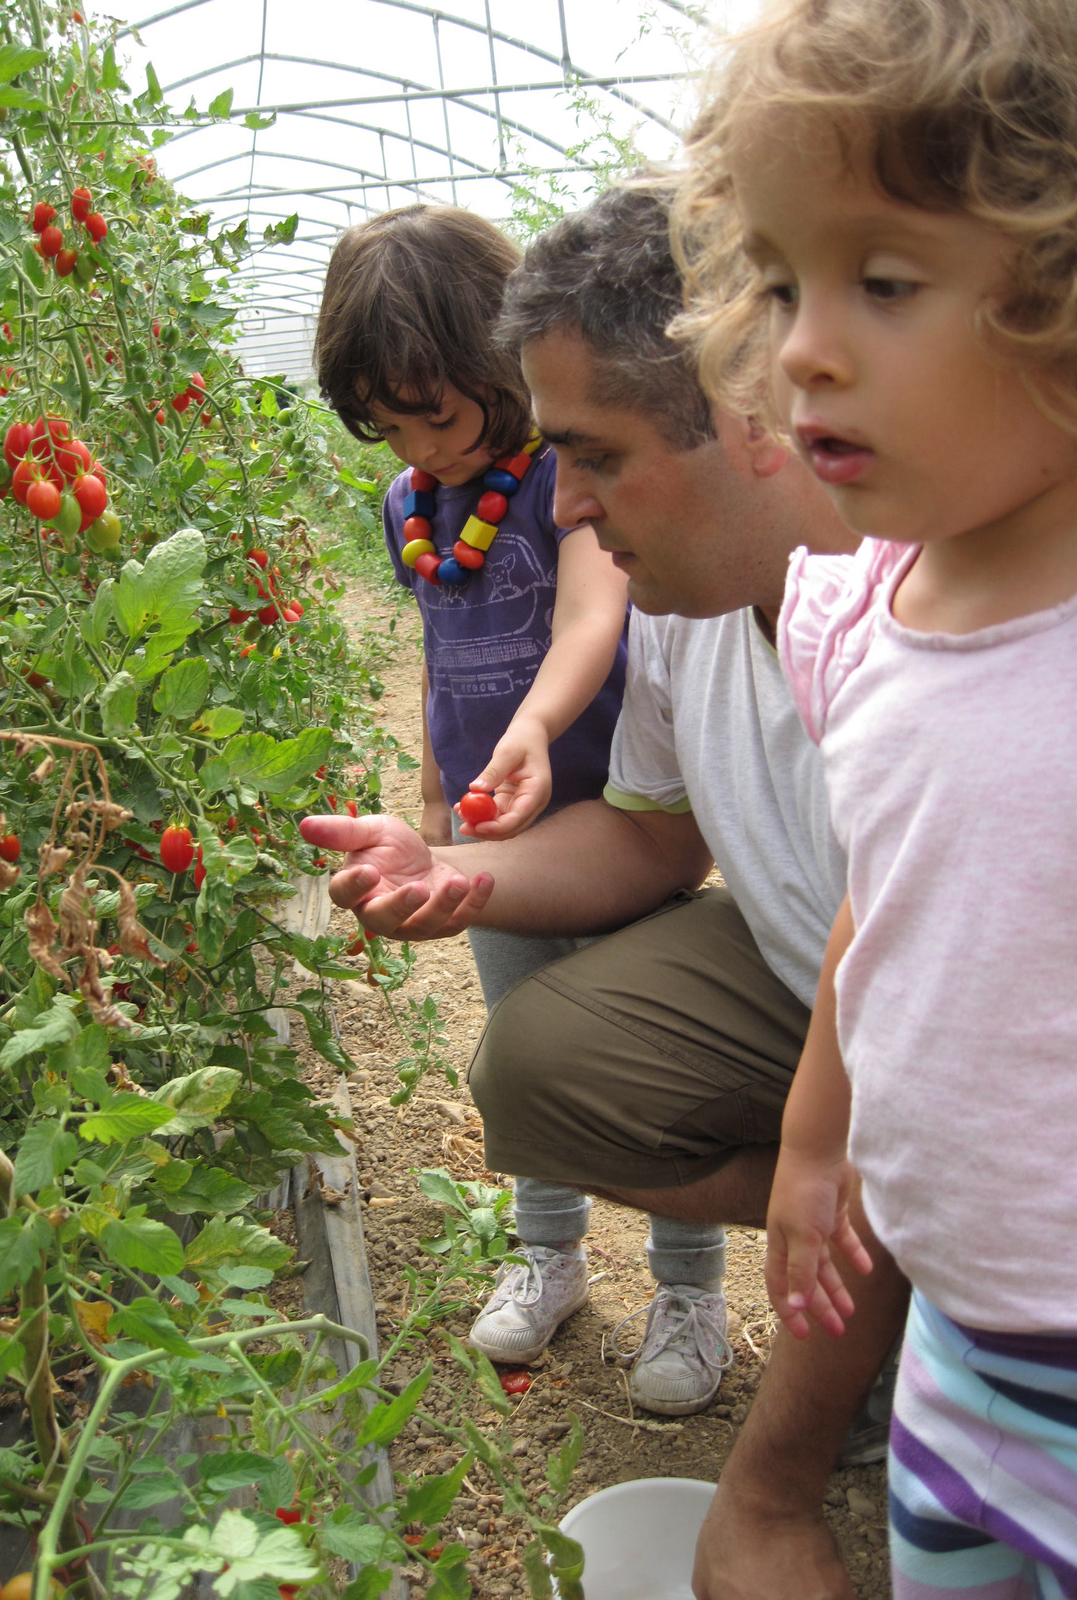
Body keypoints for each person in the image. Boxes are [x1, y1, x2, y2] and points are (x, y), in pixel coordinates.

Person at [306, 176, 908, 1600]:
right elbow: (647, 840)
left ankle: (909, 1276)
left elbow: (912, 1001)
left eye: (591, 454)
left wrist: (764, 1483)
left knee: (908, 1150)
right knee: (538, 1072)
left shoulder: (924, 626)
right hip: (801, 980)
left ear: (749, 418)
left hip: (943, 1048)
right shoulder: (693, 605)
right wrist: (454, 869)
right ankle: (893, 1261)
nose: (558, 504)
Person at [675, 1, 1077, 1595]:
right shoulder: (860, 620)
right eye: (779, 282)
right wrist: (816, 1136)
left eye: (884, 282)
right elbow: (884, 910)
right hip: (960, 1364)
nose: (803, 347)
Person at [314, 205, 630, 1361]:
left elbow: (594, 617)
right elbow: (442, 657)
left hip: (607, 815)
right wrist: (437, 796)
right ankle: (549, 1256)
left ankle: (690, 1289)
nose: (419, 449)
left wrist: (540, 726)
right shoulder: (409, 509)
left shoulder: (568, 476)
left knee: (653, 1073)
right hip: (497, 831)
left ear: (496, 363)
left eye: (434, 414)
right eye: (388, 427)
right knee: (524, 1050)